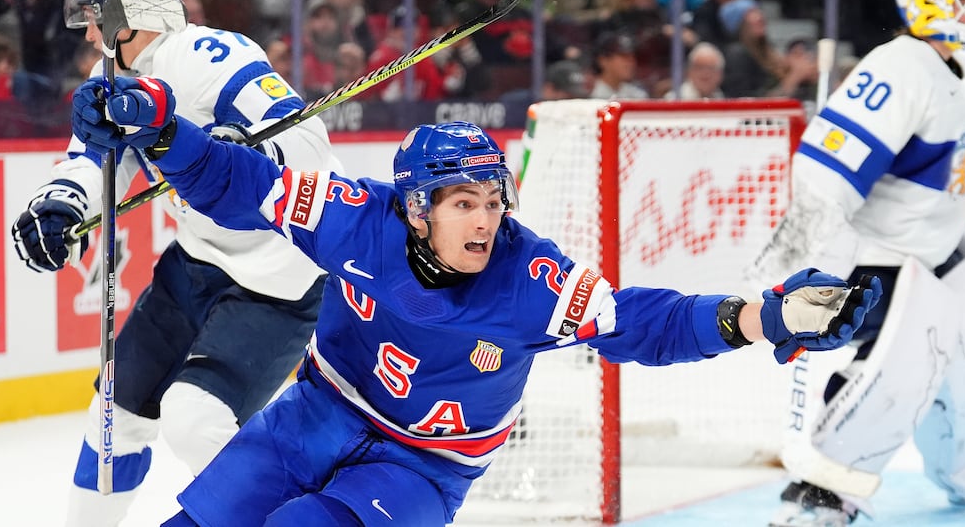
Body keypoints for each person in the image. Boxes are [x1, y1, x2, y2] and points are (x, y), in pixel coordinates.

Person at [69, 83, 882, 524]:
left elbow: (646, 322)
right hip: (318, 414)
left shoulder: (534, 281)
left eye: (494, 201)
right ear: (415, 206)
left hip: (421, 468)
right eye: (463, 203)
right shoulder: (356, 216)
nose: (486, 220)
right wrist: (163, 131)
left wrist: (761, 316)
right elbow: (238, 183)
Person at [8, 0, 336, 527]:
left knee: (194, 419)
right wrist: (59, 209)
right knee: (114, 414)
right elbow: (92, 161)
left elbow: (310, 149)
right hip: (194, 265)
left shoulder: (214, 57)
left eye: (93, 16)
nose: (88, 33)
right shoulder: (114, 71)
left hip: (274, 280)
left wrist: (246, 152)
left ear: (128, 12)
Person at [745, 0, 965, 527]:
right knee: (902, 366)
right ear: (927, 5)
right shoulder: (896, 67)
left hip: (936, 252)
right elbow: (825, 170)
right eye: (963, 3)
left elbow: (940, 193)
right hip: (879, 258)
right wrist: (808, 258)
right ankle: (823, 489)